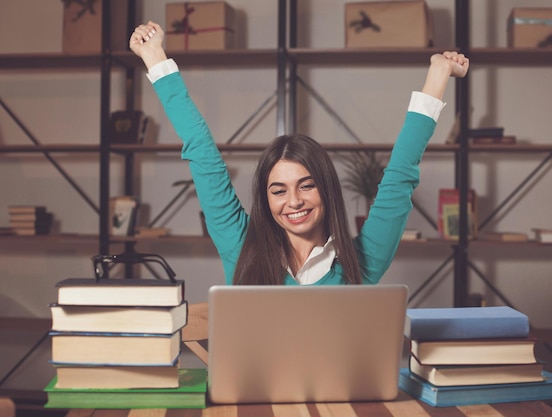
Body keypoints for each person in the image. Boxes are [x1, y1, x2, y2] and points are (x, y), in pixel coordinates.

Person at [130, 21, 469, 286]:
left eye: (306, 185)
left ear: (326, 188)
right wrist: (155, 59)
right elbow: (202, 154)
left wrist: (438, 74)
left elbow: (400, 174)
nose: (293, 202)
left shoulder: (361, 260)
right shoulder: (240, 245)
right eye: (278, 190)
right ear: (266, 198)